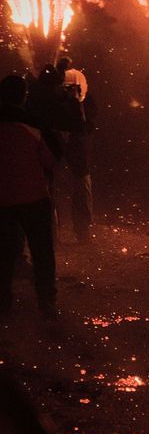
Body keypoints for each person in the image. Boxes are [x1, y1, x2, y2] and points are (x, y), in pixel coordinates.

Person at [0, 73, 59, 319]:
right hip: (33, 197)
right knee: (42, 250)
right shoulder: (34, 125)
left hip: (2, 200)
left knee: (2, 253)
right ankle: (46, 301)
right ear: (24, 96)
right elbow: (51, 159)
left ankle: (2, 304)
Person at [55, 56, 96, 243]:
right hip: (61, 138)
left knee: (82, 184)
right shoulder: (56, 100)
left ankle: (82, 229)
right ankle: (51, 231)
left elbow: (86, 125)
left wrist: (76, 105)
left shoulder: (85, 102)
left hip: (76, 139)